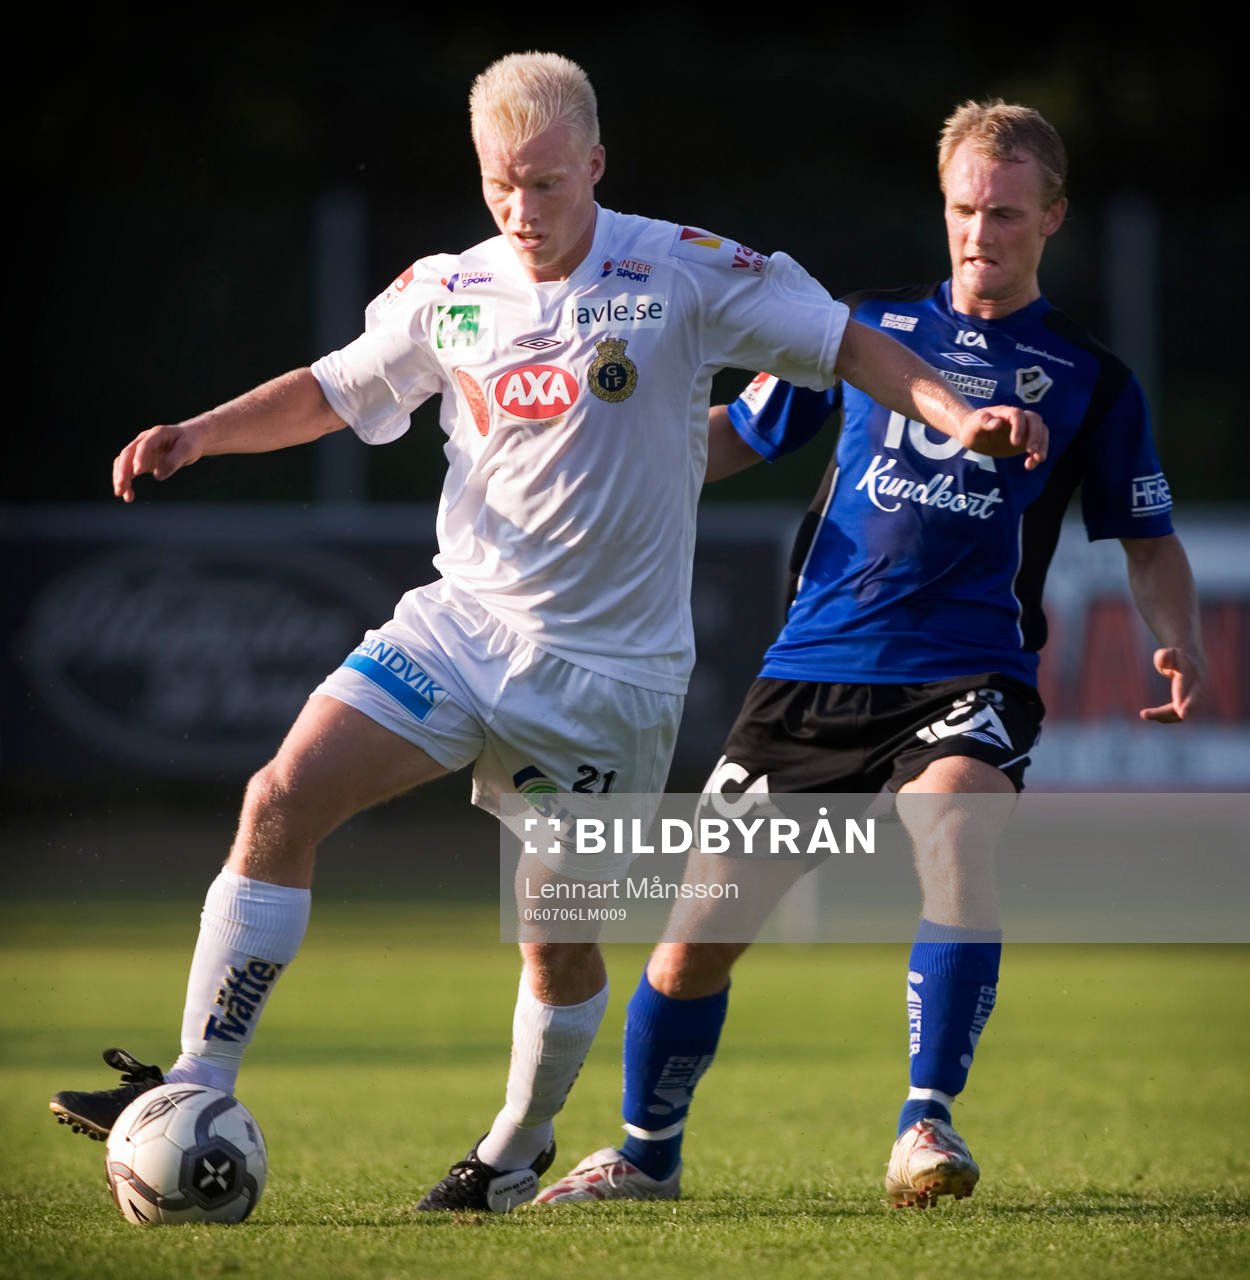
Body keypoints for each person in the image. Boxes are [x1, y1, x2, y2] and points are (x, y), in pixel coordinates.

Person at [47, 59, 1045, 1215]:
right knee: (279, 795)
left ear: (596, 167)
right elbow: (333, 388)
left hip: (607, 682)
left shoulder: (683, 269)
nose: (521, 212)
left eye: (545, 184)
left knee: (553, 946)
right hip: (459, 625)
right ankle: (192, 1082)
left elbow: (850, 345)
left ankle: (512, 1147)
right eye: (498, 186)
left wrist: (956, 412)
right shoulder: (448, 287)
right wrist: (199, 433)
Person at [535, 99, 1205, 1211]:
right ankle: (646, 1152)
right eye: (959, 209)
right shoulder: (859, 332)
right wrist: (596, 455)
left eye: (1000, 211)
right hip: (808, 673)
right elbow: (730, 439)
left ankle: (923, 1121)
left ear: (1050, 215)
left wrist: (1173, 635)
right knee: (691, 944)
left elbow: (1146, 538)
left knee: (954, 827)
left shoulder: (1090, 379)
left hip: (964, 671)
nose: (977, 231)